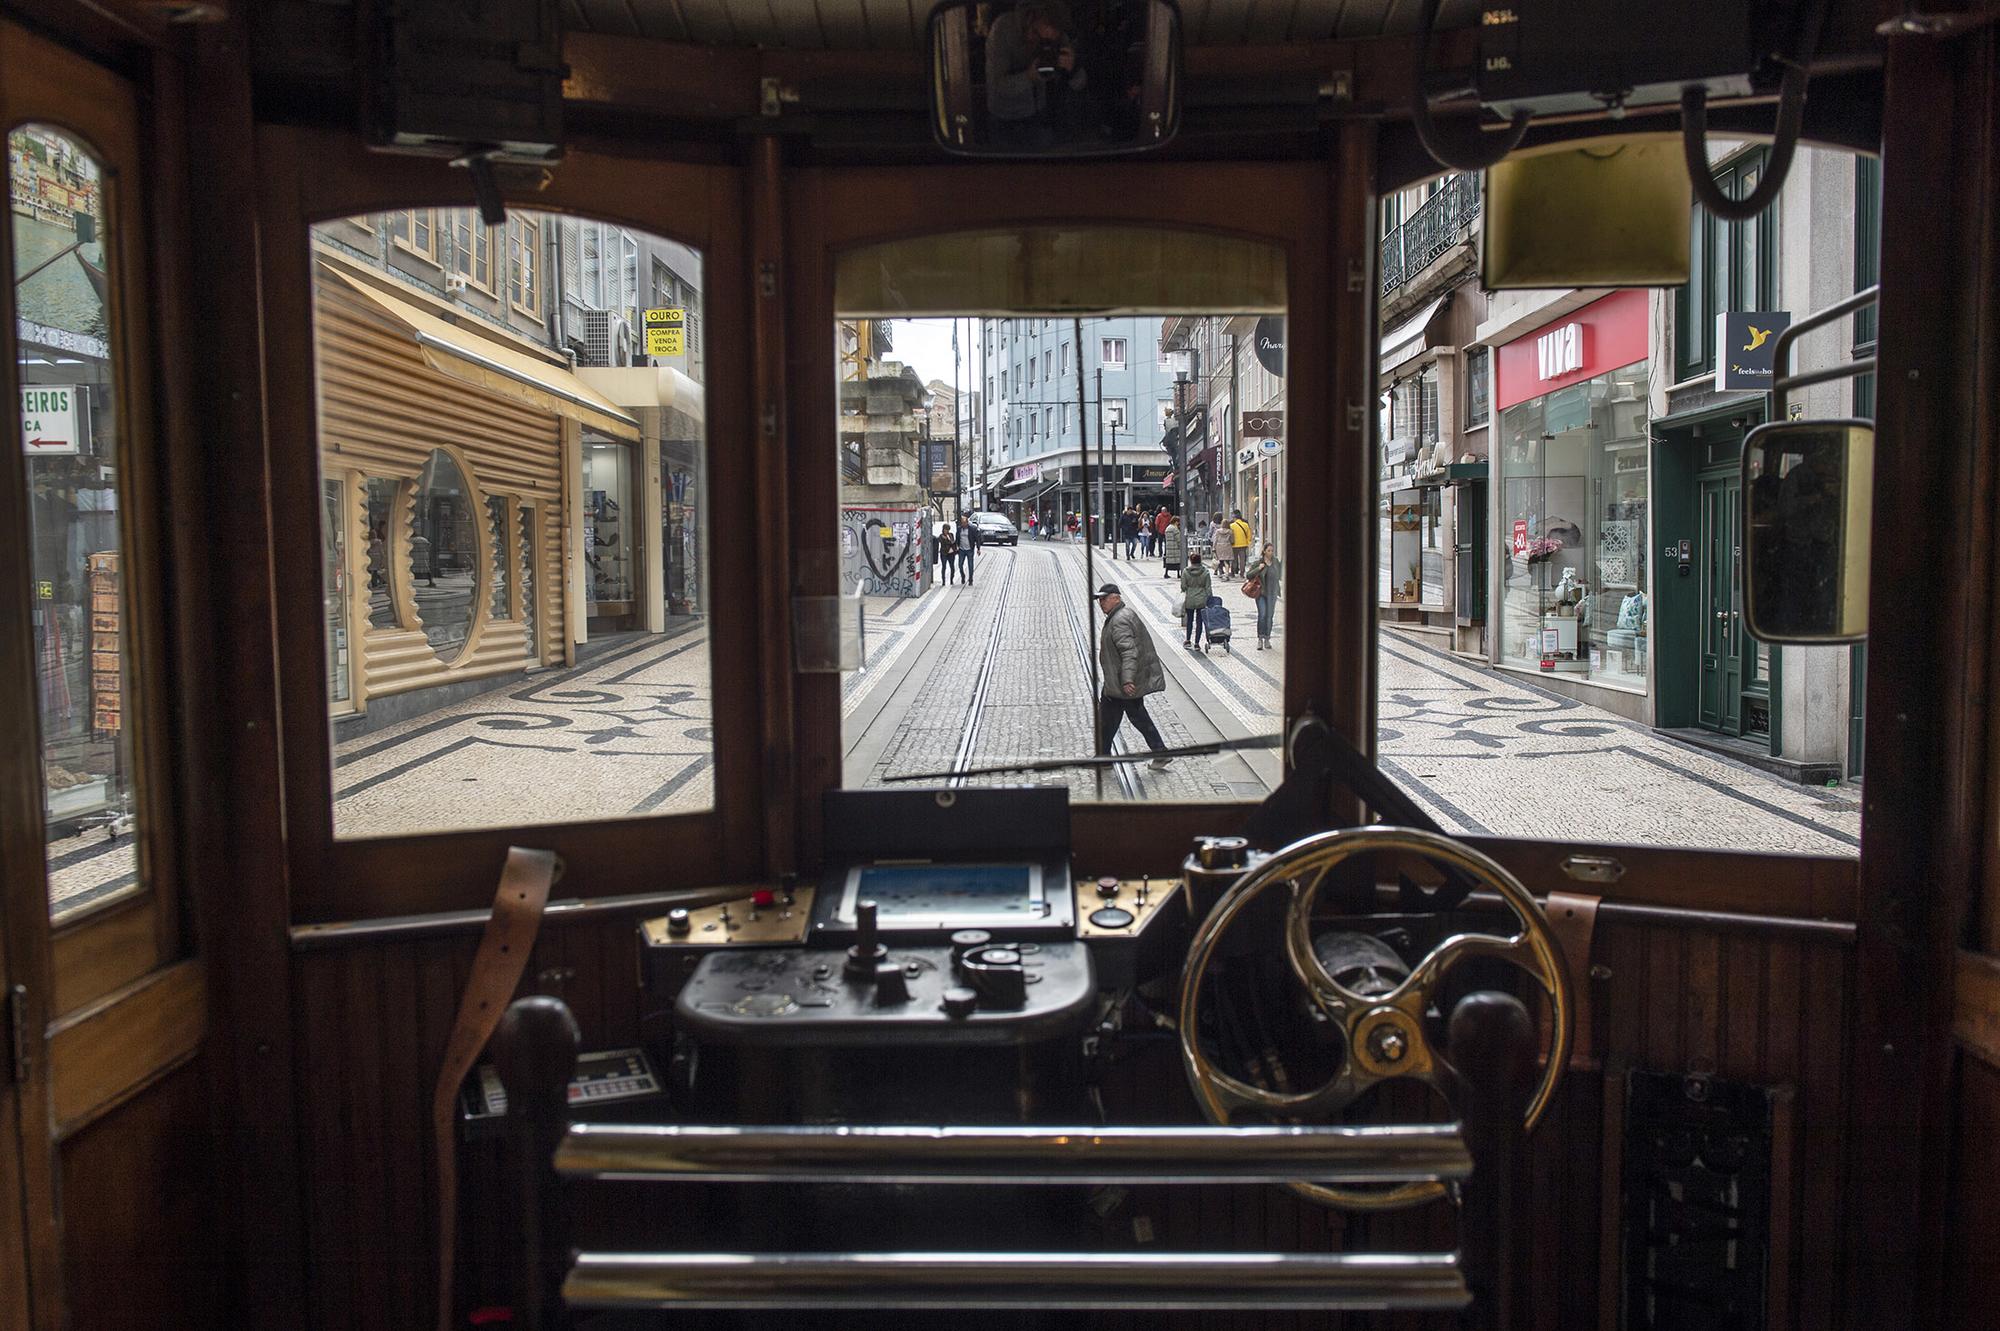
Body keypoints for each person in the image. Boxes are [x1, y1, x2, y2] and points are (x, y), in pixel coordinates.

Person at [984, 1, 1087, 152]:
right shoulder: (1003, 28)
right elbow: (998, 86)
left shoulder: (1058, 37)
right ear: (1031, 17)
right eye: (1036, 34)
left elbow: (1081, 83)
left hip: (1039, 115)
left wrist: (1073, 68)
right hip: (1004, 119)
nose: (1038, 43)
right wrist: (1029, 76)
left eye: (1047, 42)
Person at [1094, 583, 1172, 769]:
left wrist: (1127, 680)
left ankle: (1159, 752)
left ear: (1116, 598)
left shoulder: (1119, 620)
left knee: (1127, 719)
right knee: (1113, 719)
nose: (1101, 603)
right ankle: (1103, 758)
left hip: (1122, 683)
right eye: (1099, 600)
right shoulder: (1123, 615)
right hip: (1118, 681)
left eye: (1104, 599)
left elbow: (1129, 652)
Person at [1243, 541, 1282, 649]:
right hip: (1261, 593)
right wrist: (1258, 569)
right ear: (1264, 551)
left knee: (1269, 617)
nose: (1271, 553)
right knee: (1262, 615)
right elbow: (1248, 575)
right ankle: (1260, 638)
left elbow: (1280, 576)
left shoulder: (1275, 562)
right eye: (1268, 551)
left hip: (1272, 593)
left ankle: (1267, 638)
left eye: (1272, 551)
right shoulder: (1258, 563)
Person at [1180, 551, 1212, 650]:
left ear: (1191, 561)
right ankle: (1197, 643)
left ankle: (1188, 640)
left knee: (1189, 620)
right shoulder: (1205, 572)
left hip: (1190, 599)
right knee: (1199, 621)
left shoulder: (1186, 572)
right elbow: (1208, 588)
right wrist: (1210, 599)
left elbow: (1183, 587)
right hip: (1201, 599)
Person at [1226, 509, 1253, 580]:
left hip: (1234, 545)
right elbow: (1249, 535)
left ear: (1235, 518)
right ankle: (1242, 574)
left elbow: (1229, 536)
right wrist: (1247, 542)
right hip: (1243, 545)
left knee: (1234, 560)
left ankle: (1232, 573)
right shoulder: (1245, 525)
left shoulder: (1231, 525)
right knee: (1242, 560)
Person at [957, 515, 978, 586]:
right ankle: (963, 576)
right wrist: (957, 546)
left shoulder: (972, 529)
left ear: (967, 522)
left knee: (970, 565)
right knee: (960, 565)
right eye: (962, 523)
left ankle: (971, 579)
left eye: (964, 523)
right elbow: (957, 538)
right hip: (961, 549)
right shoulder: (959, 529)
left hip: (970, 549)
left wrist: (978, 548)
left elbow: (976, 539)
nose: (963, 524)